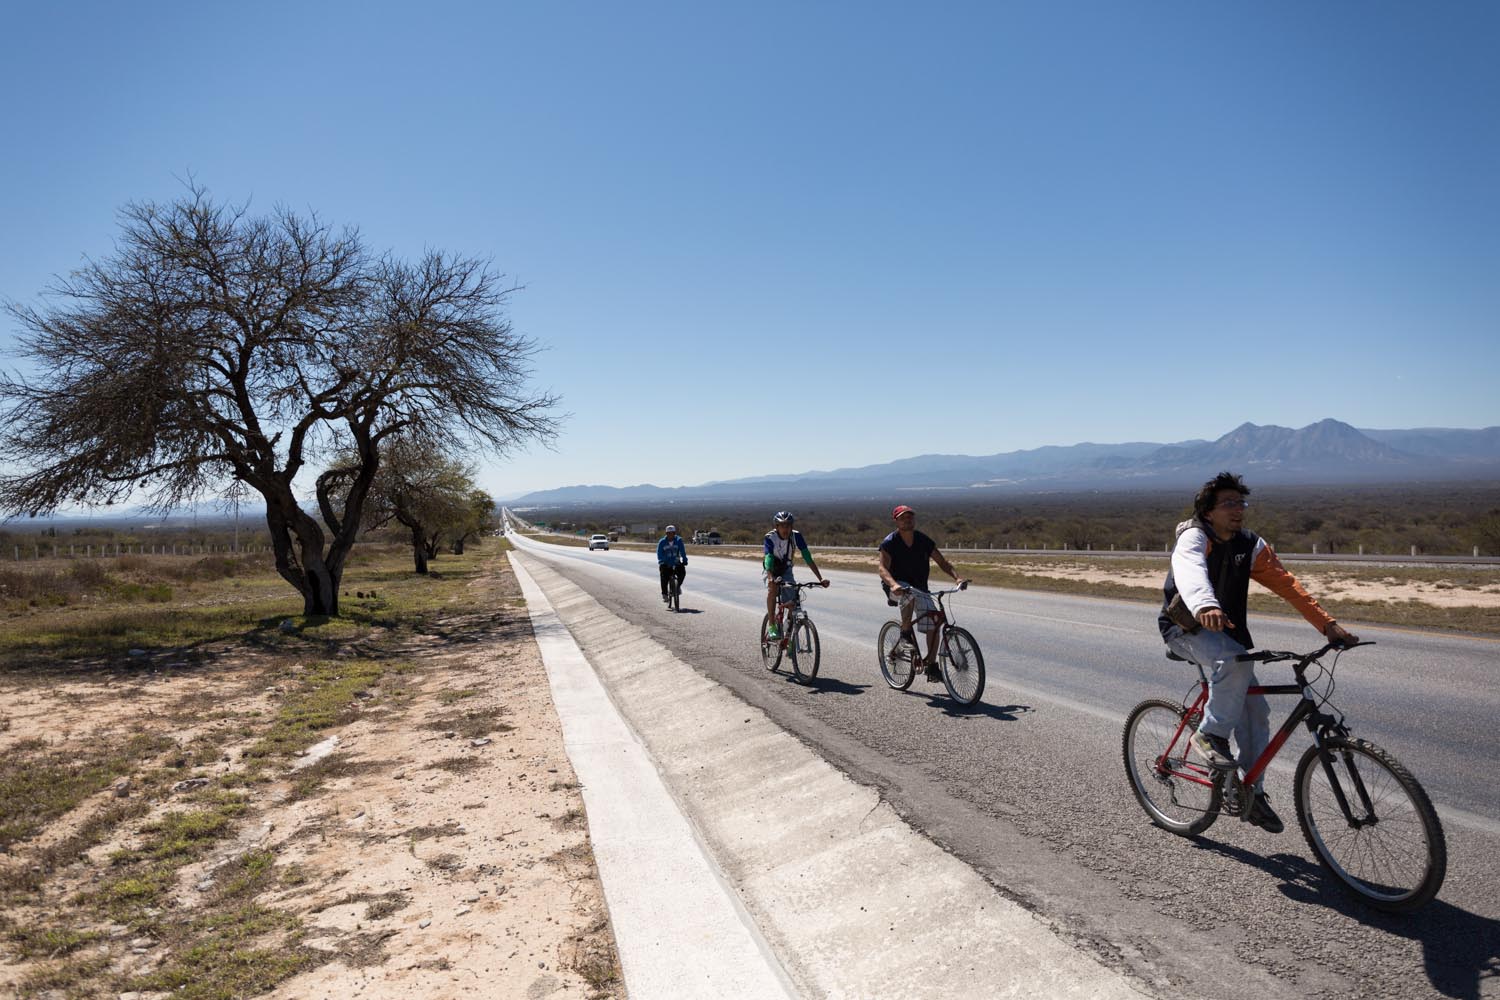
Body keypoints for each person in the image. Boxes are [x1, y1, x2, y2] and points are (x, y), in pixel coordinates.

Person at [1160, 471, 1358, 834]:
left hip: (1228, 636)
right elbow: (1190, 573)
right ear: (1207, 511)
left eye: (1241, 503)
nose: (1238, 510)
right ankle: (1208, 735)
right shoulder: (1194, 537)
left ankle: (1251, 792)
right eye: (1228, 504)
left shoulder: (1248, 544)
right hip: (1185, 630)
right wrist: (1205, 604)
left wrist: (1327, 625)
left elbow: (1288, 585)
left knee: (1256, 713)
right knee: (1232, 663)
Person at [877, 505, 967, 682]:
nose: (907, 520)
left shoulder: (923, 540)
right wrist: (894, 585)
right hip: (895, 587)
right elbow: (882, 569)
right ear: (896, 521)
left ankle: (932, 666)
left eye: (910, 517)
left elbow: (943, 562)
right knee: (907, 594)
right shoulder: (890, 542)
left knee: (934, 623)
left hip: (920, 587)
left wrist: (957, 578)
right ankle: (904, 634)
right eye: (903, 517)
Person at [763, 511, 829, 638]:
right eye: (782, 525)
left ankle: (788, 635)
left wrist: (821, 578)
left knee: (793, 601)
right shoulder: (770, 537)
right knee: (772, 590)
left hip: (786, 569)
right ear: (776, 527)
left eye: (788, 525)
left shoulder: (796, 536)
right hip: (772, 569)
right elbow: (768, 558)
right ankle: (772, 624)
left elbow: (807, 558)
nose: (785, 529)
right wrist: (770, 576)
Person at [657, 525, 687, 603]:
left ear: (674, 533)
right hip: (665, 563)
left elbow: (682, 551)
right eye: (668, 533)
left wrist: (684, 560)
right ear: (666, 534)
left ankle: (677, 587)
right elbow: (659, 554)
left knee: (682, 572)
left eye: (672, 533)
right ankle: (665, 594)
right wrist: (663, 561)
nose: (670, 535)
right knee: (664, 576)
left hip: (676, 562)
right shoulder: (662, 542)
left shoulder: (679, 540)